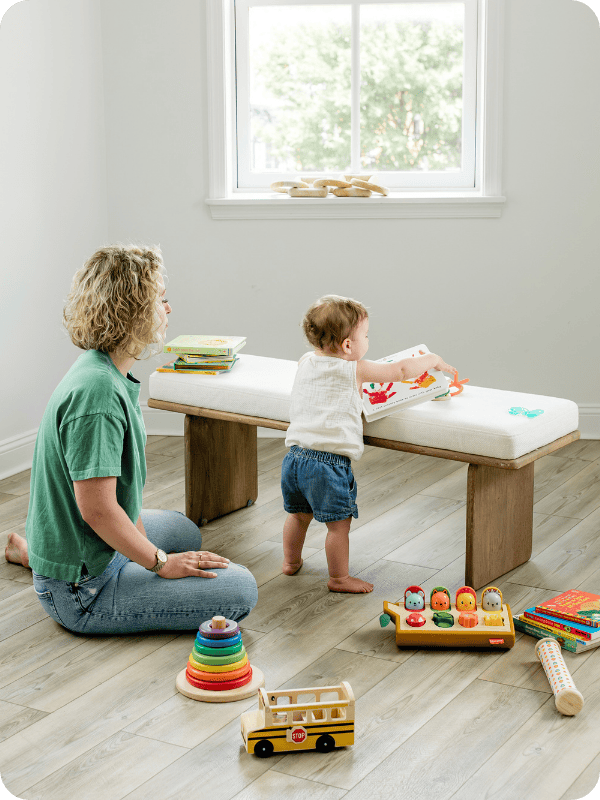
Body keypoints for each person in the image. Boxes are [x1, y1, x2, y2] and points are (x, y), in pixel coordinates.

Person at [4, 245, 258, 633]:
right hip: (81, 590)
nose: (168, 308)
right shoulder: (98, 395)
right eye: (160, 299)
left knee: (183, 529)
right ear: (132, 311)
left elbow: (121, 495)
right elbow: (98, 511)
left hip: (86, 547)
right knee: (241, 590)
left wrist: (150, 553)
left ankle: (37, 552)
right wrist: (161, 563)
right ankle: (49, 566)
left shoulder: (106, 369)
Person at [281, 295, 456, 594]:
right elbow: (401, 371)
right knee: (339, 525)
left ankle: (290, 562)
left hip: (294, 458)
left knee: (298, 515)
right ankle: (339, 578)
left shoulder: (306, 361)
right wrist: (433, 360)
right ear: (348, 346)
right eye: (365, 335)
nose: (368, 340)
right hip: (328, 463)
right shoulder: (355, 369)